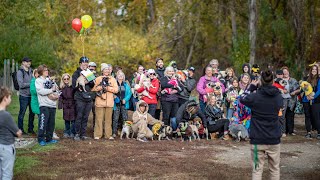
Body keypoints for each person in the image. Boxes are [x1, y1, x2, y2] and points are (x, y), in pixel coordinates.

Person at [240, 70, 283, 180]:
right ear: (273, 81)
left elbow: (242, 98)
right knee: (274, 169)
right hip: (273, 138)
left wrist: (251, 88)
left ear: (260, 81)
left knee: (257, 169)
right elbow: (280, 106)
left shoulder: (255, 96)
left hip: (257, 139)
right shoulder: (278, 96)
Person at [0, 87, 22, 180]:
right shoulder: (5, 115)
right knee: (7, 174)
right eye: (9, 97)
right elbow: (17, 133)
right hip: (6, 146)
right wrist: (19, 132)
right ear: (5, 98)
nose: (10, 99)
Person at [91, 63, 119, 140]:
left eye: (107, 69)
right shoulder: (98, 79)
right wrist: (100, 87)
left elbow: (116, 90)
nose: (106, 71)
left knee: (108, 120)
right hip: (99, 102)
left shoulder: (112, 79)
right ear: (102, 71)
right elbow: (93, 88)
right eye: (105, 69)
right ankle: (98, 134)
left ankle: (108, 135)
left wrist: (108, 88)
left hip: (109, 103)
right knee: (99, 119)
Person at [72, 56, 95, 141]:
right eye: (83, 62)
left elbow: (92, 85)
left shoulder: (89, 73)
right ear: (80, 63)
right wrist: (81, 84)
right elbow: (74, 86)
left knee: (85, 117)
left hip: (88, 97)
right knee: (79, 116)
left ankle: (83, 134)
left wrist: (88, 81)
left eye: (86, 62)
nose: (85, 64)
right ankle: (77, 133)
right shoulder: (76, 73)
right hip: (80, 98)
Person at [35, 65, 59, 146]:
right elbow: (40, 91)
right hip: (44, 104)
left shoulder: (50, 80)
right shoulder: (38, 80)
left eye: (47, 70)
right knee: (43, 122)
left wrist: (56, 94)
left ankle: (49, 139)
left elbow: (56, 89)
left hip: (52, 105)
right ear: (41, 72)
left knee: (51, 123)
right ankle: (41, 139)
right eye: (45, 70)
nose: (47, 71)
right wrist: (51, 90)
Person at [17, 57, 35, 135]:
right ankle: (20, 130)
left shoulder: (31, 71)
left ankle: (30, 129)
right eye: (27, 62)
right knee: (22, 113)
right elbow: (21, 85)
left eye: (29, 62)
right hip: (23, 96)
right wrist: (31, 84)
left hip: (31, 96)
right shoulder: (20, 72)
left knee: (32, 113)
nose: (29, 63)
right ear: (23, 62)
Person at [112, 70, 131, 138]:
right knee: (115, 118)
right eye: (119, 75)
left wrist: (125, 100)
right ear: (116, 76)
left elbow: (129, 94)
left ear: (123, 77)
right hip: (116, 104)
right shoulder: (114, 84)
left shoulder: (126, 85)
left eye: (122, 75)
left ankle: (126, 133)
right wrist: (114, 97)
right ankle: (114, 132)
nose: (120, 76)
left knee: (125, 119)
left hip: (124, 104)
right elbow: (112, 92)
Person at [281, 66, 300, 136]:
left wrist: (295, 92)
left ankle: (291, 131)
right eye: (284, 72)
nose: (285, 73)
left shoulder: (293, 80)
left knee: (291, 115)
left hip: (292, 100)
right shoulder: (280, 81)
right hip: (283, 100)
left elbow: (299, 89)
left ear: (288, 72)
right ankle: (284, 131)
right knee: (283, 115)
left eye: (286, 72)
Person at [303, 65, 320, 139]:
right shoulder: (306, 79)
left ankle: (319, 132)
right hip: (306, 100)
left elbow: (319, 90)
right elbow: (304, 87)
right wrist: (307, 95)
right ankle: (308, 132)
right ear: (311, 70)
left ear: (317, 71)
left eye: (315, 69)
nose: (314, 70)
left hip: (315, 100)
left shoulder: (319, 79)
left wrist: (313, 96)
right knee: (307, 116)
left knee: (316, 116)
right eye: (313, 69)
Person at [58, 73, 76, 138]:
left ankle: (72, 132)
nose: (66, 80)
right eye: (64, 79)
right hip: (65, 104)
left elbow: (75, 95)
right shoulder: (61, 87)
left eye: (67, 79)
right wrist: (60, 105)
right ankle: (66, 132)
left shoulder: (73, 87)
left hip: (72, 104)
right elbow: (60, 96)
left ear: (69, 79)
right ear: (62, 80)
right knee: (66, 120)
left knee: (73, 120)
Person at [88, 62, 97, 128]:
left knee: (95, 114)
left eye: (93, 67)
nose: (92, 68)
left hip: (94, 98)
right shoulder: (84, 75)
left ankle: (94, 128)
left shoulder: (97, 76)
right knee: (85, 114)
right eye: (90, 67)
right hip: (86, 97)